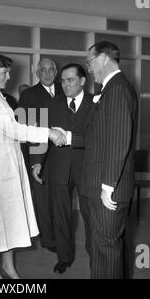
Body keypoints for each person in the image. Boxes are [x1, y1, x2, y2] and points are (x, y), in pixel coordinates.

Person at [0, 53, 65, 279]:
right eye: (5, 72)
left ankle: (9, 266)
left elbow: (17, 127)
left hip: (8, 162)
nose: (9, 76)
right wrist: (48, 133)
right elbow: (14, 130)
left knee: (10, 218)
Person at [81, 41, 138, 278]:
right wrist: (64, 137)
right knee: (101, 248)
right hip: (102, 184)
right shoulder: (110, 88)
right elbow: (99, 135)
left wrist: (107, 187)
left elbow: (118, 142)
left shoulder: (117, 89)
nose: (89, 69)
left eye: (90, 62)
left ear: (103, 58)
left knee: (106, 249)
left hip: (108, 188)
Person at [31, 63, 93, 274]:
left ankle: (96, 255)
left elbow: (97, 138)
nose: (65, 85)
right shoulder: (53, 104)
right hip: (58, 167)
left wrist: (68, 138)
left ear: (82, 81)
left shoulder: (95, 103)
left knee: (89, 215)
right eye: (63, 81)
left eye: (70, 80)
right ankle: (64, 257)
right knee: (61, 216)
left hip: (86, 169)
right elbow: (42, 135)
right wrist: (38, 161)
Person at [18, 58, 61, 252]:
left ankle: (61, 236)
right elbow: (25, 128)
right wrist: (36, 160)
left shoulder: (64, 89)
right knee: (43, 200)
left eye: (51, 69)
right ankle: (49, 240)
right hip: (38, 154)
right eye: (43, 70)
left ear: (56, 71)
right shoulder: (28, 95)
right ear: (37, 73)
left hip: (62, 154)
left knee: (61, 199)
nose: (47, 73)